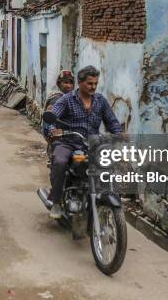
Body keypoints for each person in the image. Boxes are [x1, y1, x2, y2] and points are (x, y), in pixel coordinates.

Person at [45, 65, 122, 219]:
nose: (93, 87)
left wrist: (119, 135)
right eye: (89, 83)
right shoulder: (67, 100)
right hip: (68, 141)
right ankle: (57, 201)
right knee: (60, 162)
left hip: (93, 143)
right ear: (80, 83)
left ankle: (108, 199)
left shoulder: (100, 101)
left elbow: (112, 122)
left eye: (95, 83)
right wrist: (53, 130)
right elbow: (52, 117)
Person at [42, 70, 75, 148]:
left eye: (71, 83)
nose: (68, 86)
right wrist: (53, 131)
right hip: (60, 137)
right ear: (59, 84)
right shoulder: (56, 98)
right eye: (65, 82)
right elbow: (49, 119)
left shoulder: (72, 98)